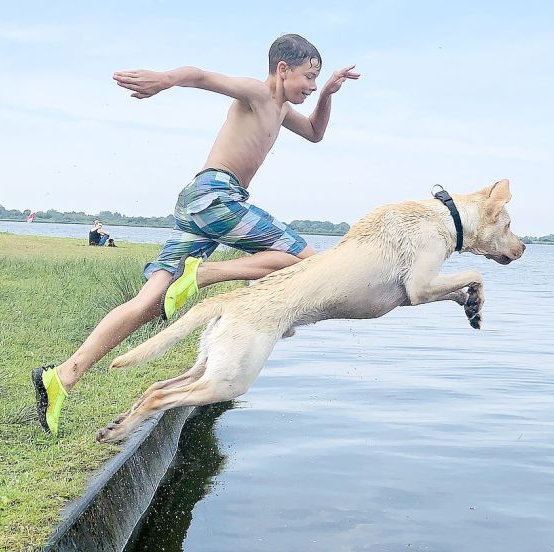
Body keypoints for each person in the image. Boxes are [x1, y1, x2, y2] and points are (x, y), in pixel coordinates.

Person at [32, 34, 360, 435]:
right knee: (308, 262)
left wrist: (328, 94)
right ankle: (204, 275)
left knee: (149, 302)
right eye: (309, 77)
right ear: (282, 69)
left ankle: (62, 375)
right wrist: (165, 79)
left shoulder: (282, 111)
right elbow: (202, 76)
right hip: (215, 196)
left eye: (316, 80)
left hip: (199, 203)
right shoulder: (257, 93)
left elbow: (314, 133)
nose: (310, 86)